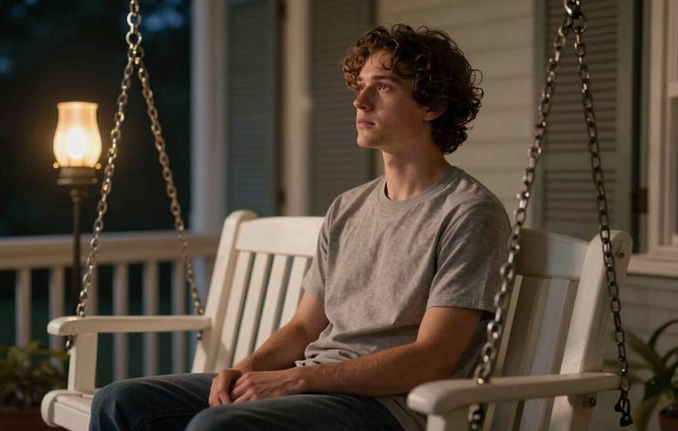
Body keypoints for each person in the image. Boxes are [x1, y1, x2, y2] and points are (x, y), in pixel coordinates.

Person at [90, 23, 510, 431]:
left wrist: (292, 380)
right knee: (120, 403)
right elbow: (304, 327)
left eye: (383, 86)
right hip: (314, 386)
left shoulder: (468, 212)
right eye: (360, 85)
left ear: (432, 106)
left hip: (390, 408)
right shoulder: (349, 207)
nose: (360, 101)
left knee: (218, 425)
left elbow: (430, 359)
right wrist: (242, 370)